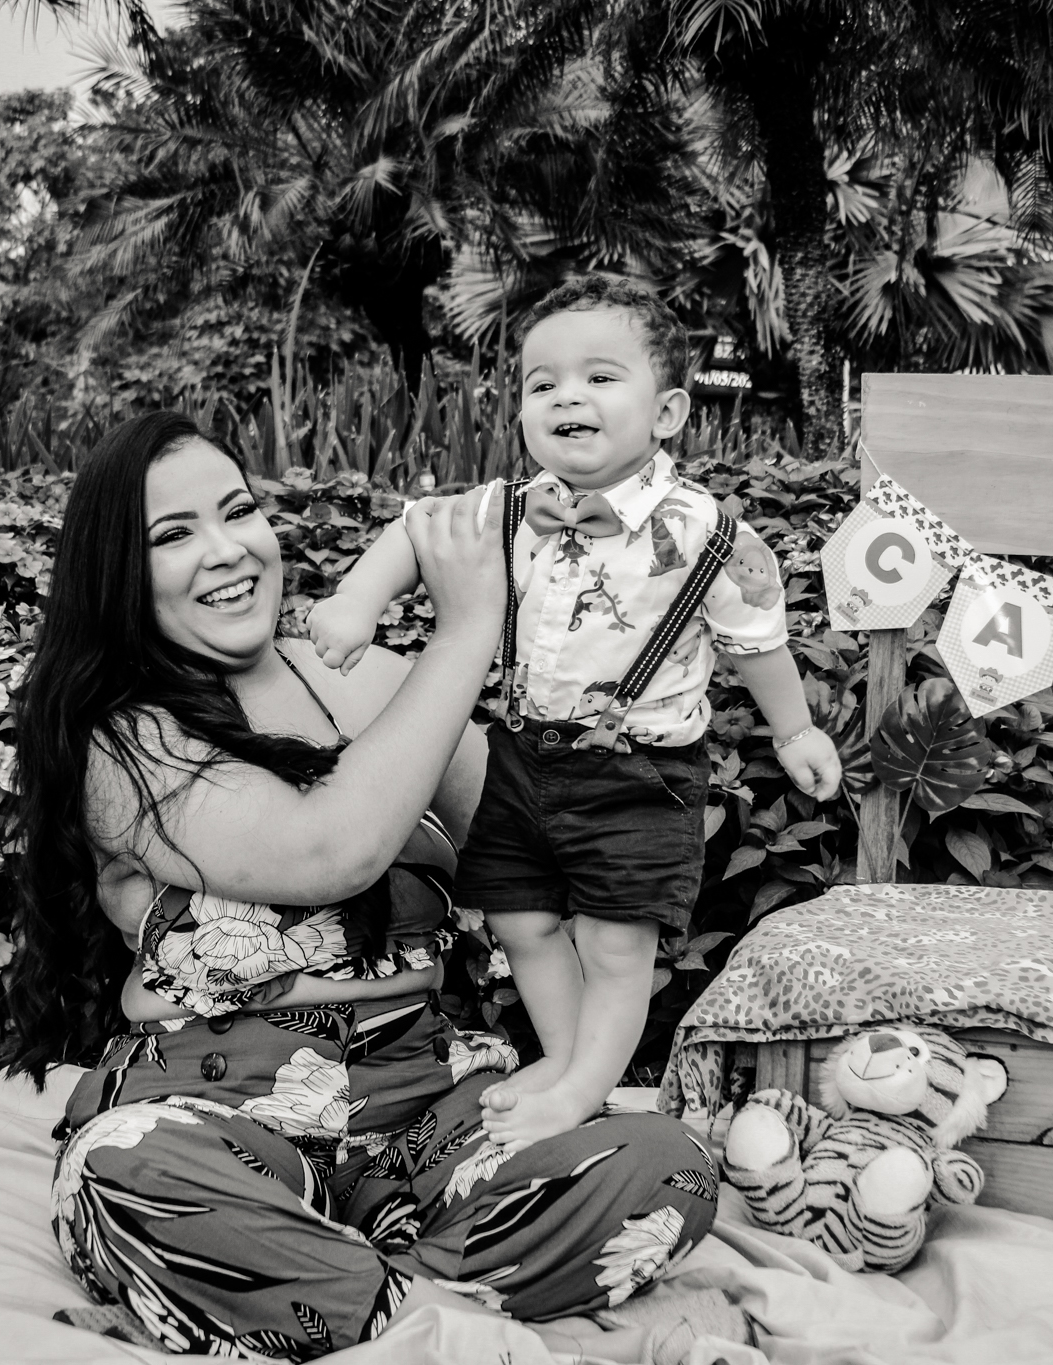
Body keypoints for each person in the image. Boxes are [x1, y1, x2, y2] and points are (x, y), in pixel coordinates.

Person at [0, 410, 722, 1362]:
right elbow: (326, 851)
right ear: (119, 575)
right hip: (221, 1110)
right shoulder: (124, 736)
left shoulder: (375, 678)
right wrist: (467, 630)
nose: (226, 551)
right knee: (128, 1171)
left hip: (426, 1108)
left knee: (665, 1167)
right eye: (173, 535)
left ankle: (364, 1304)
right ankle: (439, 1316)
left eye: (238, 512)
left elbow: (536, 850)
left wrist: (600, 652)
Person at [308, 276, 844, 1151]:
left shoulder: (712, 533)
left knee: (615, 942)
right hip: (524, 758)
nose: (567, 396)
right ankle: (566, 1066)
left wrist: (795, 729)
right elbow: (415, 530)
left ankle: (588, 1082)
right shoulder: (509, 508)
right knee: (519, 919)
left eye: (599, 376)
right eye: (542, 382)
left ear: (667, 411)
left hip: (643, 775)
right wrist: (355, 601)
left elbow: (757, 645)